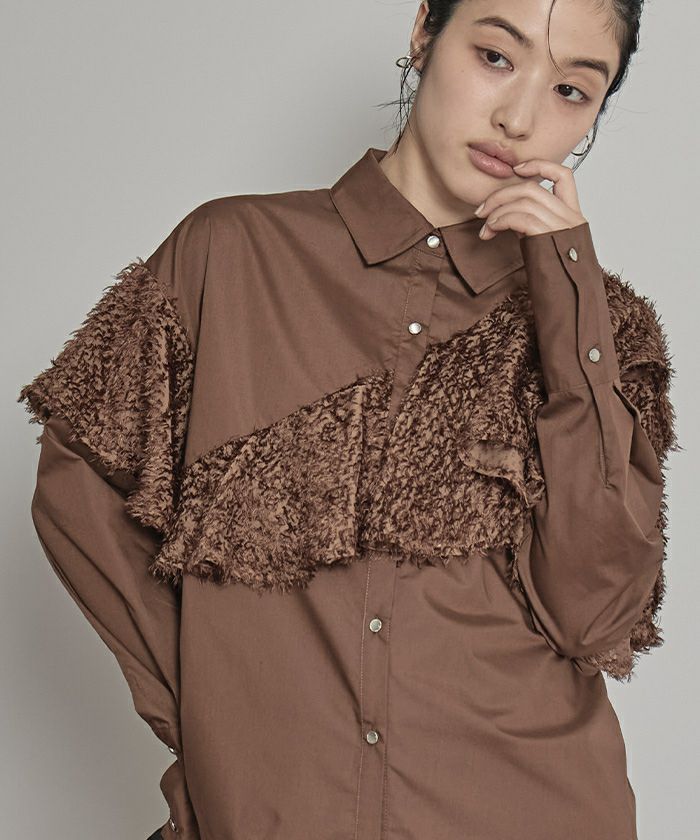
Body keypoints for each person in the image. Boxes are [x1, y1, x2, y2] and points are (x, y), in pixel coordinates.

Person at [18, 1, 679, 838]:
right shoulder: (231, 252)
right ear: (424, 33)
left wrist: (570, 300)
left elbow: (596, 618)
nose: (520, 119)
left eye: (572, 91)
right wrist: (212, 725)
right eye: (495, 56)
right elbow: (81, 487)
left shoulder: (601, 329)